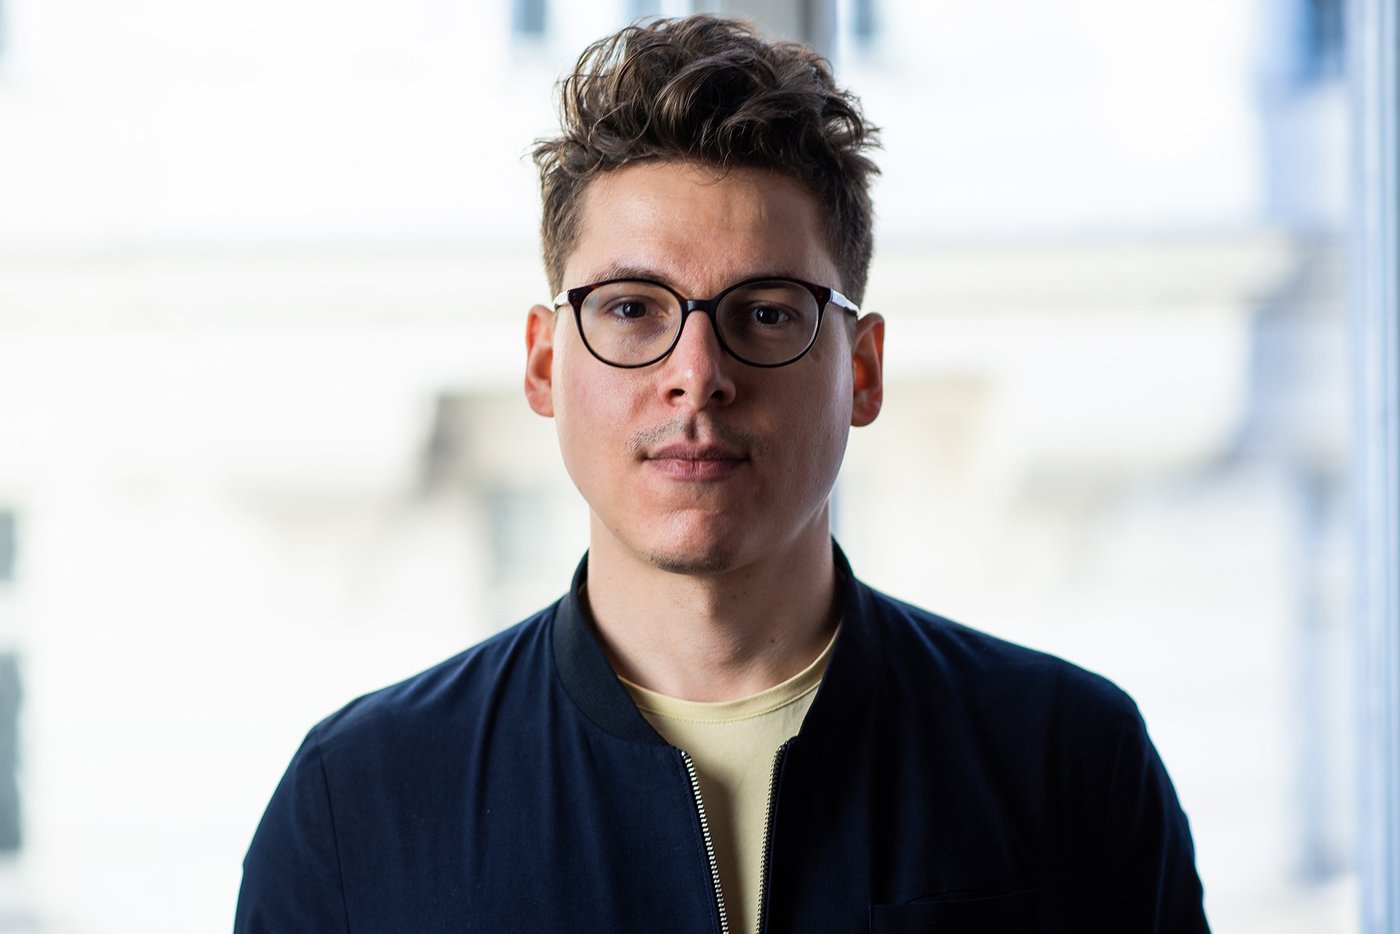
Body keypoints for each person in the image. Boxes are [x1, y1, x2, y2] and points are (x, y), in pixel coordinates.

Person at [234, 15, 1209, 933]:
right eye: (629, 309)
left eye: (767, 312)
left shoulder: (1066, 761)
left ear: (861, 370)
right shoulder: (356, 803)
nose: (696, 375)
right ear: (543, 362)